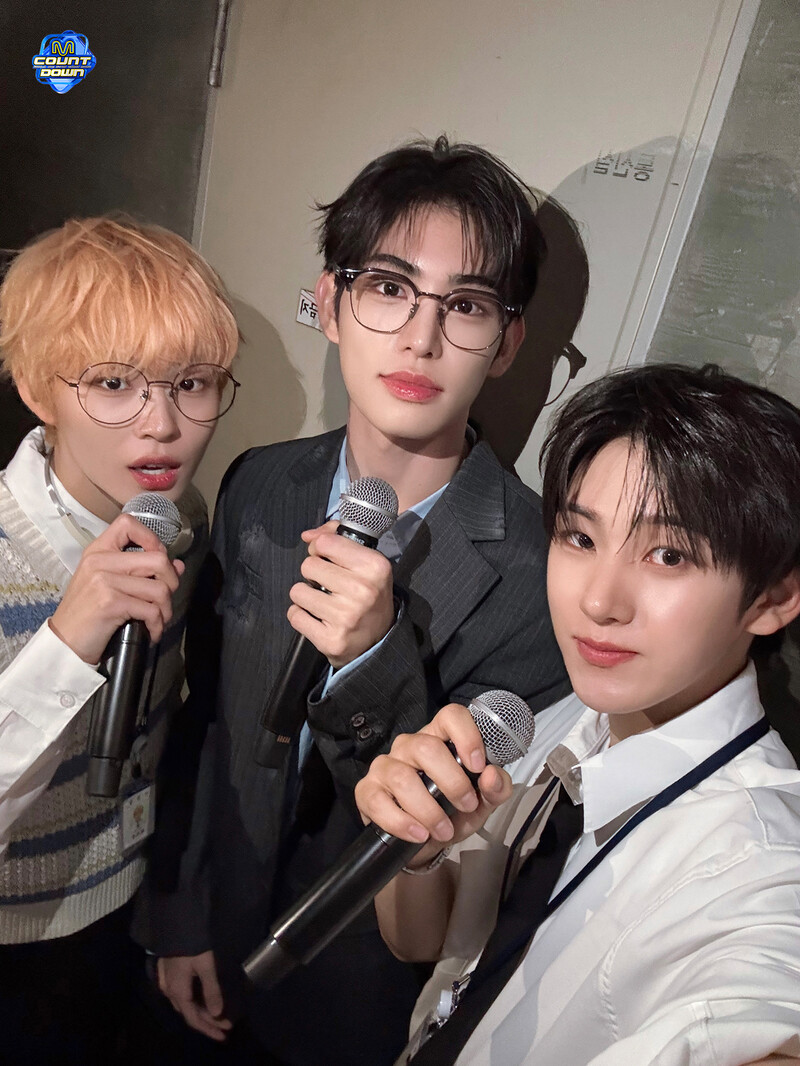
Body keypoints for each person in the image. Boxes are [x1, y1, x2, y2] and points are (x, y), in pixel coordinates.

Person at [141, 135, 570, 1065]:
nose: (420, 338)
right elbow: (207, 717)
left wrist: (377, 659)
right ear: (332, 305)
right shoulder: (260, 482)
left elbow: (451, 838)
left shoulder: (544, 575)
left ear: (507, 343)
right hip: (211, 929)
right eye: (387, 288)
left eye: (465, 305)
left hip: (357, 1003)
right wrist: (177, 910)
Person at [356, 363, 800, 1066]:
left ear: (773, 598)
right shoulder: (565, 718)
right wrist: (417, 847)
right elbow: (428, 944)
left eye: (668, 554)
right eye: (580, 538)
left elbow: (759, 1002)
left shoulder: (763, 859)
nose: (598, 601)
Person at [0, 216, 240, 1065]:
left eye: (193, 383)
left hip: (125, 911)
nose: (162, 425)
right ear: (39, 389)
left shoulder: (182, 520)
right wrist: (68, 639)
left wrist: (172, 914)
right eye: (112, 383)